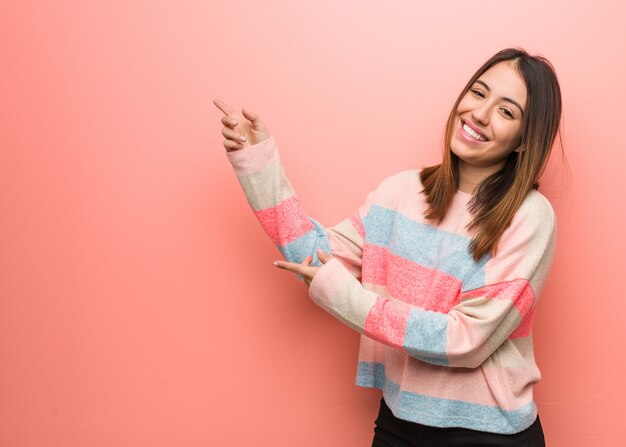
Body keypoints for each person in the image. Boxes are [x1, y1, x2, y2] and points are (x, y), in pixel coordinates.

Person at [213, 47, 562, 446]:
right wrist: (259, 164)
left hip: (489, 435)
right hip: (399, 422)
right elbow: (316, 259)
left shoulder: (530, 217)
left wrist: (343, 296)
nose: (480, 114)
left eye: (507, 111)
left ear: (524, 140)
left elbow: (465, 342)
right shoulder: (401, 192)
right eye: (479, 93)